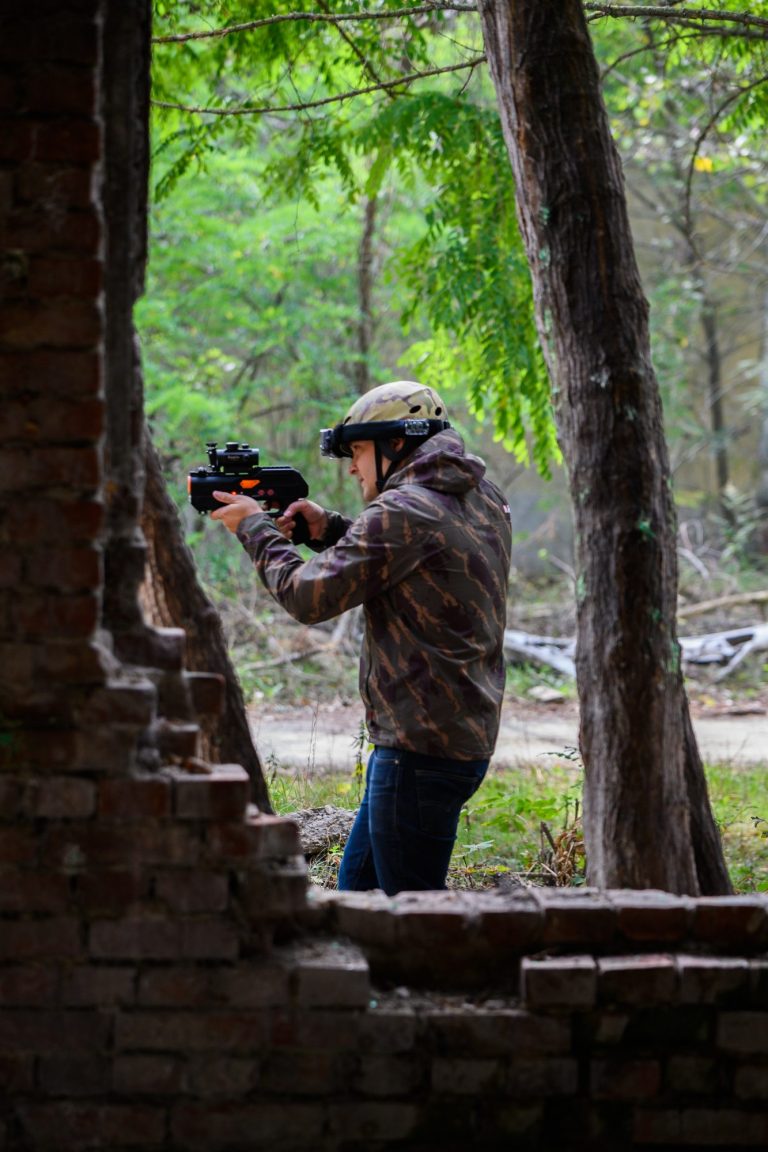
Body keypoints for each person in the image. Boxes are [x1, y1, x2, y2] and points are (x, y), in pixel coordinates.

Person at [211, 380, 512, 895]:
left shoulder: (405, 510)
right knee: (359, 902)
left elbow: (308, 597)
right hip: (447, 737)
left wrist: (253, 528)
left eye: (358, 452)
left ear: (397, 445)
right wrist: (327, 528)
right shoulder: (477, 494)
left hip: (418, 752)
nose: (352, 467)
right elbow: (418, 552)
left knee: (410, 916)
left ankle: (432, 978)